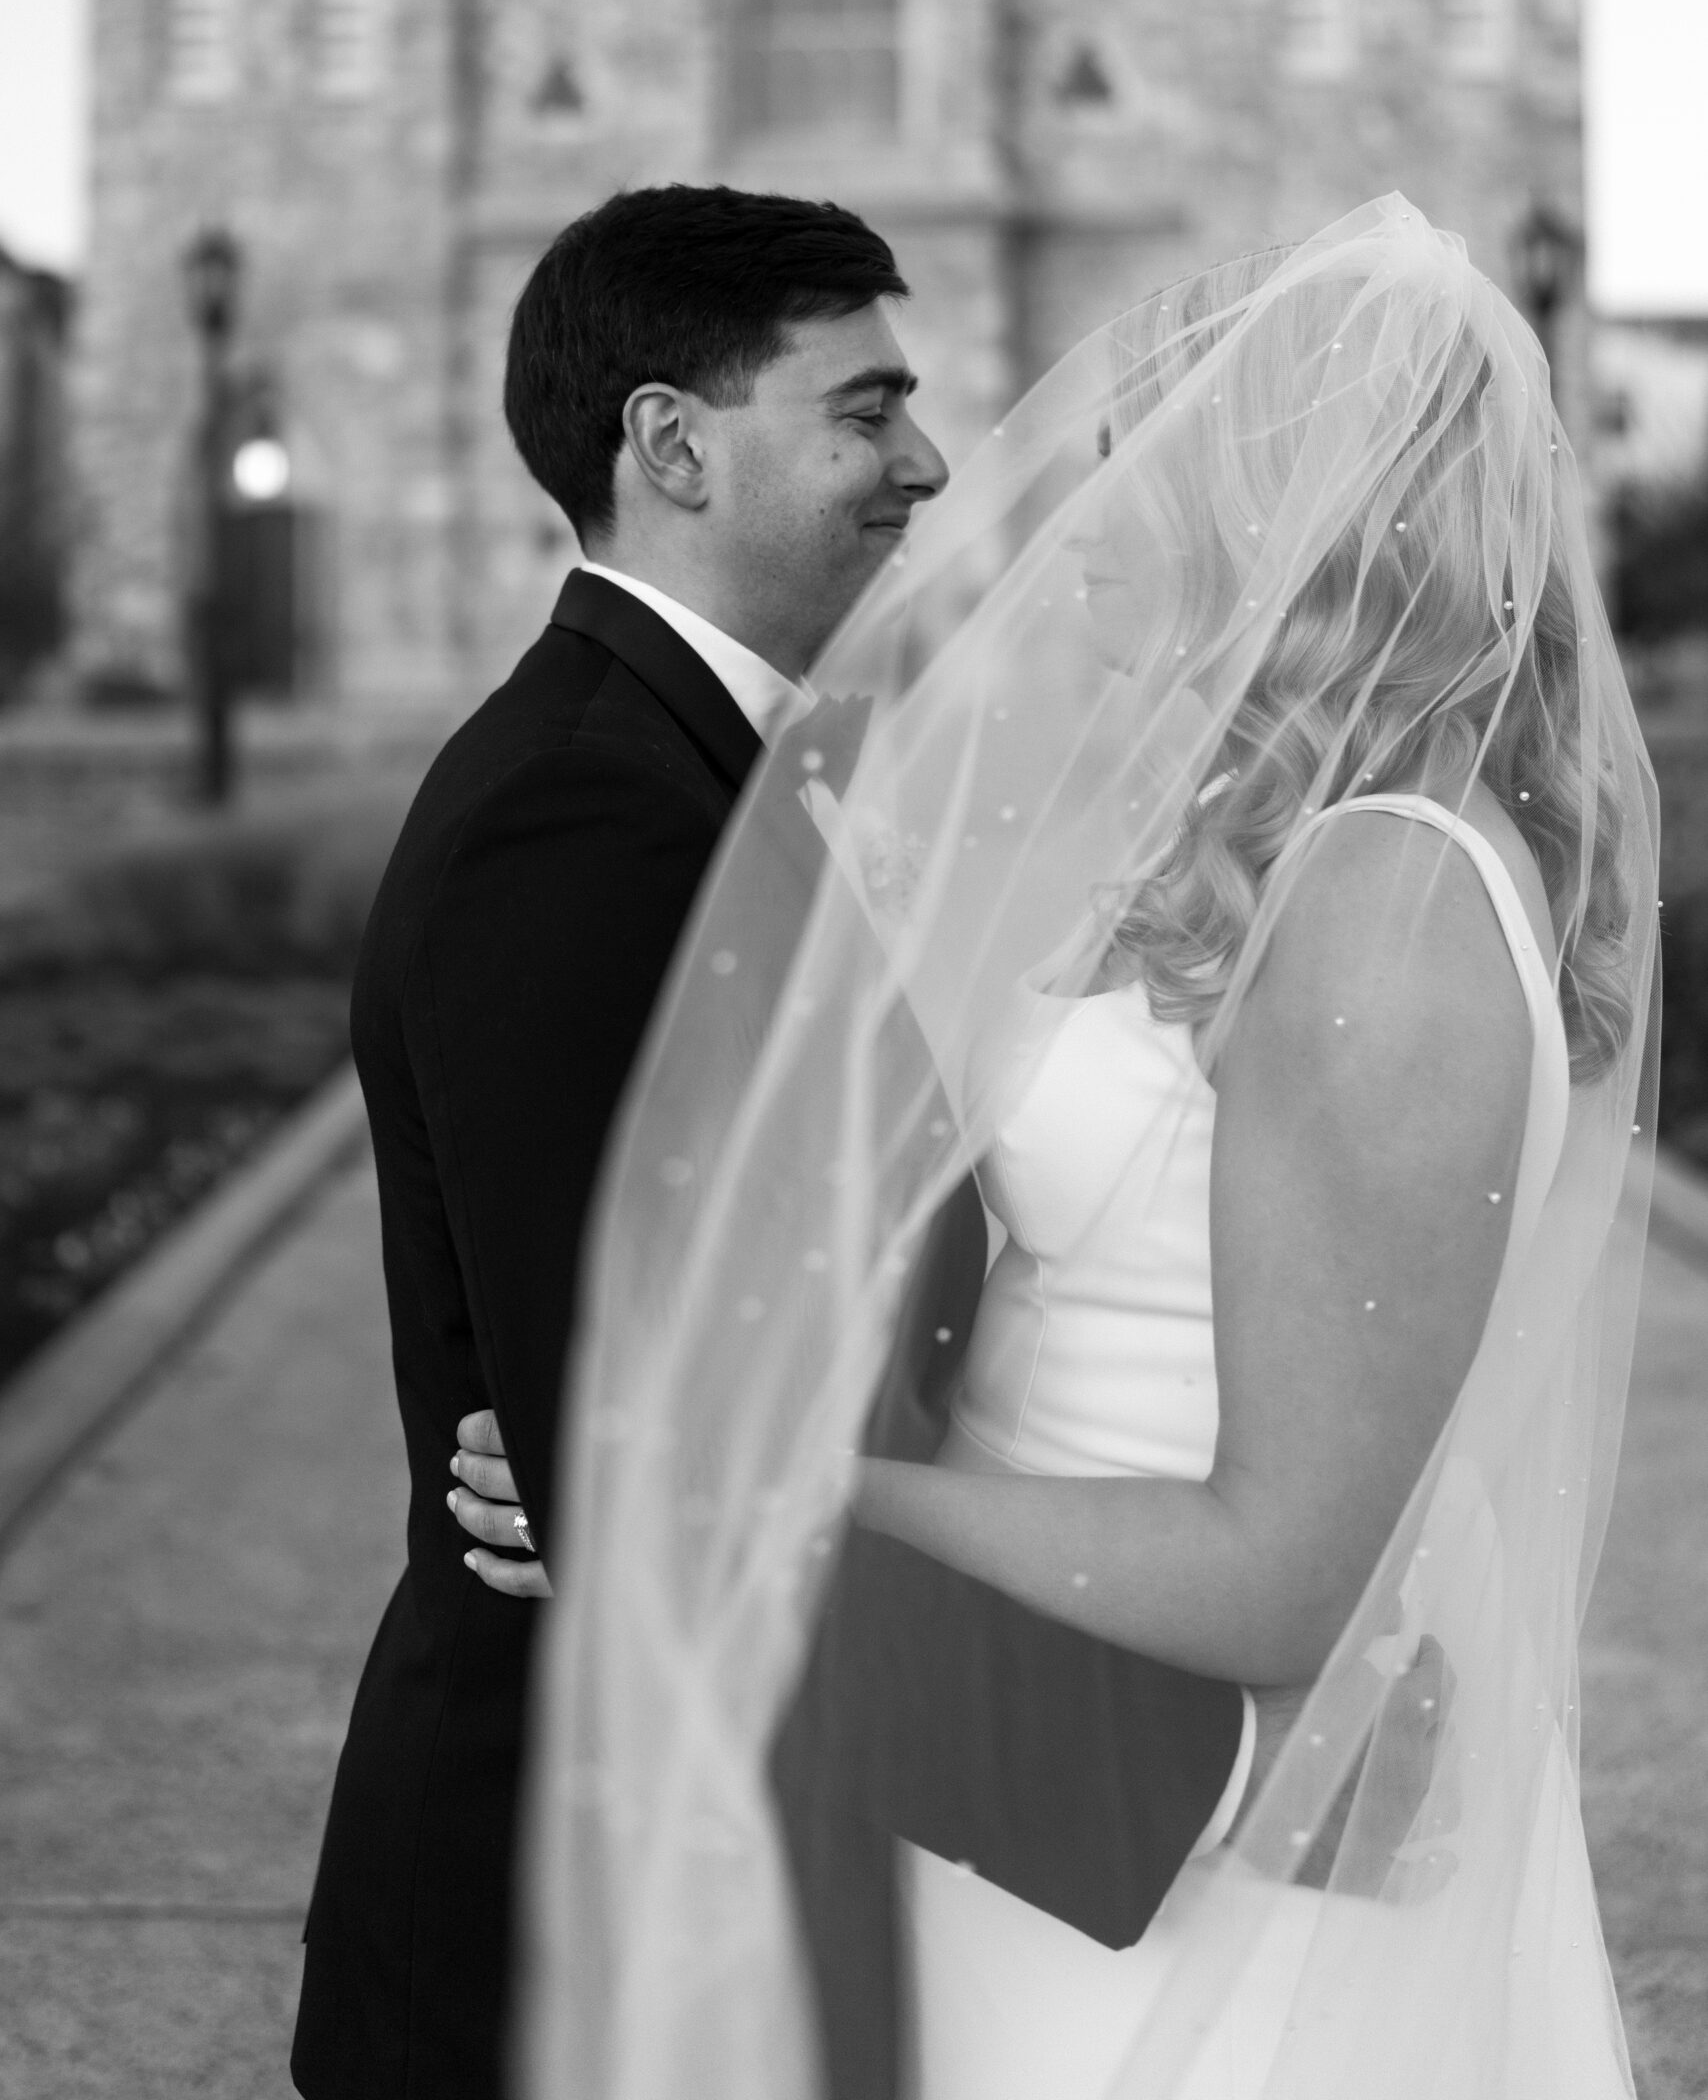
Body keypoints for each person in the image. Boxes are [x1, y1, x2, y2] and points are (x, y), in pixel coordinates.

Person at [519, 198, 1658, 2099]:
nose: (1083, 508)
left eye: (1153, 460)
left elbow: (1279, 1570)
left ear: (1309, 519)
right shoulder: (1275, 841)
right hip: (1044, 1757)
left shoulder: (1388, 902)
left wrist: (771, 1481)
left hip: (1201, 1806)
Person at [294, 184, 1267, 2100]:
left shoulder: (711, 764)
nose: (925, 461)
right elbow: (637, 1502)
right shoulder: (581, 815)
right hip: (557, 1929)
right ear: (672, 443)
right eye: (865, 410)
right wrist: (1228, 1776)